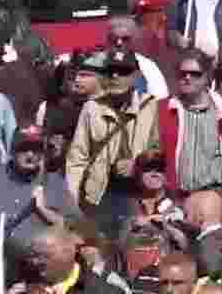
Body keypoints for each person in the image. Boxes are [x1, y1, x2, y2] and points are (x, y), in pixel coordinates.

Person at [64, 49, 159, 232]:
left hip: (136, 196)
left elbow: (157, 152)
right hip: (98, 197)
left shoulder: (149, 106)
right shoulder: (92, 108)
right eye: (110, 71)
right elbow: (77, 160)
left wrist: (138, 164)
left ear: (136, 76)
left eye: (123, 71)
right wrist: (72, 203)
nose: (115, 76)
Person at [157, 50, 222, 226]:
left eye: (195, 74)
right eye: (182, 73)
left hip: (213, 195)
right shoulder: (164, 110)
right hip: (174, 198)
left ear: (207, 77)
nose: (187, 78)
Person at [0, 124, 80, 250]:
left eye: (36, 149)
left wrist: (44, 210)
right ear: (13, 150)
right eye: (24, 149)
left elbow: (76, 228)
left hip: (37, 257)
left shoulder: (54, 183)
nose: (30, 155)